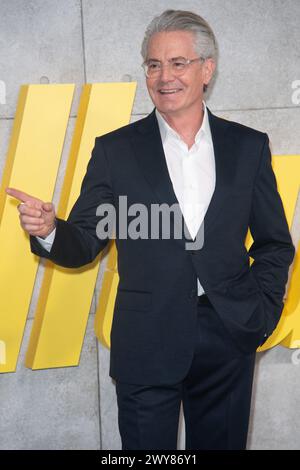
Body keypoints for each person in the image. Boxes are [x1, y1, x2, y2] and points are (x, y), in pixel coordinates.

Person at [6, 10, 295, 450]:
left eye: (178, 63)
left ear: (206, 70)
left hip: (230, 335)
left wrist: (261, 313)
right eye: (154, 65)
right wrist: (49, 229)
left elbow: (275, 243)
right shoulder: (115, 151)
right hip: (146, 341)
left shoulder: (248, 146)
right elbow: (85, 240)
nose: (164, 76)